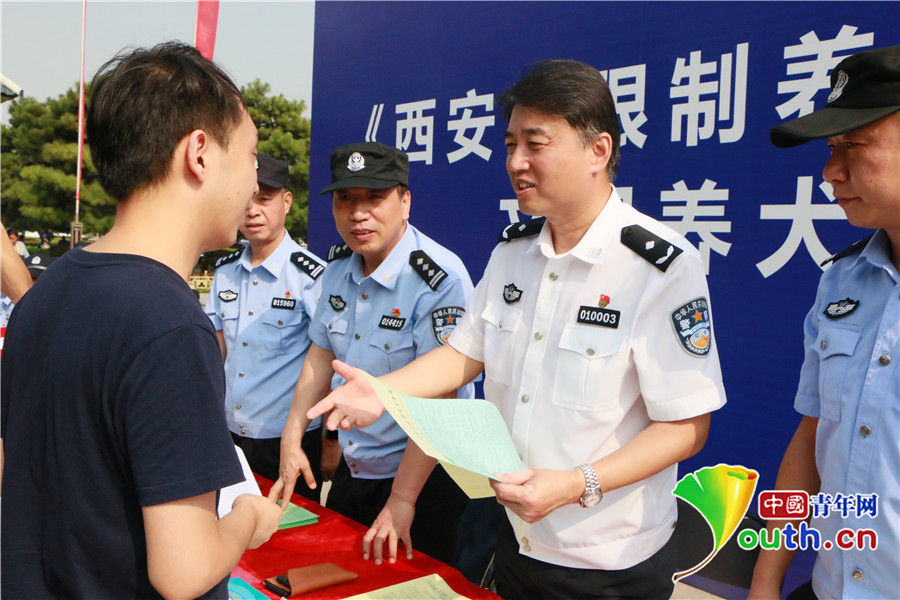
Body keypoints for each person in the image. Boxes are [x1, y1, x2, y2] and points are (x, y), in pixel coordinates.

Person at [305, 60, 727, 599]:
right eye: (509, 145)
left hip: (608, 560)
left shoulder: (660, 267)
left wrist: (577, 485)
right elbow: (463, 355)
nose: (515, 162)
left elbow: (686, 428)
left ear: (598, 151)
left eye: (535, 144)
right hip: (515, 535)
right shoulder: (513, 252)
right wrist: (383, 392)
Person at [0, 42, 282, 599]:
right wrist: (249, 516)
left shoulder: (46, 291)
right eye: (251, 156)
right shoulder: (170, 326)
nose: (254, 182)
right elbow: (183, 572)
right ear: (200, 153)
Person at [269, 142, 476, 567]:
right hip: (357, 464)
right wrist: (293, 440)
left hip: (425, 477)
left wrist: (402, 499)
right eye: (345, 199)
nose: (358, 213)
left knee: (415, 585)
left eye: (374, 198)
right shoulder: (339, 270)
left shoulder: (439, 279)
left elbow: (440, 396)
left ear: (405, 202)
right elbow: (320, 355)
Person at [748, 45, 900, 600]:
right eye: (830, 149)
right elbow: (814, 435)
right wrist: (766, 580)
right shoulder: (841, 282)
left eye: (853, 146)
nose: (831, 172)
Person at [206, 153, 327, 501]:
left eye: (264, 199)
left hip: (287, 439)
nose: (253, 210)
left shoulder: (311, 276)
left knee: (289, 541)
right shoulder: (225, 270)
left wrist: (329, 441)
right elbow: (218, 351)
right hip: (229, 434)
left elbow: (327, 361)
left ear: (286, 202)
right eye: (247, 199)